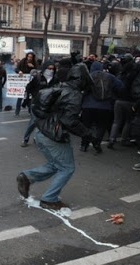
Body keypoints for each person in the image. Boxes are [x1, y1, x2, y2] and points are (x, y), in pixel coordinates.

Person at [16, 64, 96, 210]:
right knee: (67, 167)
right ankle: (49, 199)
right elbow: (69, 120)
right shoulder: (73, 94)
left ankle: (27, 177)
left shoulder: (59, 87)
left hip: (41, 133)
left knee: (56, 165)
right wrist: (87, 133)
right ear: (82, 79)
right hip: (54, 136)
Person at [79, 61, 123, 153]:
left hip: (88, 105)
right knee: (101, 126)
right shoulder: (109, 76)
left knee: (87, 126)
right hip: (105, 106)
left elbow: (80, 88)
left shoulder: (88, 76)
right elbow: (120, 86)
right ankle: (97, 143)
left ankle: (84, 145)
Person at [21, 61, 59, 147]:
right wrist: (30, 98)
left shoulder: (55, 79)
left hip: (49, 104)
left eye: (52, 69)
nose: (51, 70)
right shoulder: (37, 77)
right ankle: (25, 139)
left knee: (47, 122)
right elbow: (28, 88)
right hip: (37, 103)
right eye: (49, 68)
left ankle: (38, 138)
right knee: (33, 122)